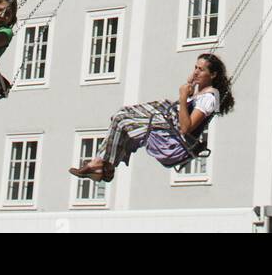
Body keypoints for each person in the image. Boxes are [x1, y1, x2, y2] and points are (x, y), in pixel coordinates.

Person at [69, 53, 234, 180]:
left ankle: (101, 165)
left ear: (213, 75)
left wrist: (183, 97)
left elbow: (186, 128)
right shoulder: (200, 93)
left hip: (174, 140)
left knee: (121, 119)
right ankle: (103, 166)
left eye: (201, 69)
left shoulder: (209, 98)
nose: (196, 72)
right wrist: (190, 85)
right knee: (120, 117)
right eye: (195, 68)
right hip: (169, 126)